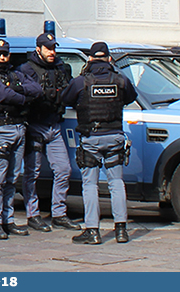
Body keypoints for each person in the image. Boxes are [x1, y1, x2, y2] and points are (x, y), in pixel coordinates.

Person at [62, 41, 138, 245]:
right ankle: (121, 230)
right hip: (114, 137)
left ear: (90, 59)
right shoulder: (121, 80)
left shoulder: (81, 82)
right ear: (109, 59)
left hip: (92, 139)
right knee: (116, 183)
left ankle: (92, 231)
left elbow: (65, 98)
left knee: (90, 184)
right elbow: (130, 97)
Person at [0, 37, 42, 240]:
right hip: (1, 129)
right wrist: (23, 98)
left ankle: (8, 220)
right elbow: (2, 95)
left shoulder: (17, 74)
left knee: (13, 178)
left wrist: (17, 90)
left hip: (20, 128)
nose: (2, 57)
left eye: (5, 53)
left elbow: (37, 90)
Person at [18, 30, 75, 232]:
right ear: (38, 49)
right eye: (48, 48)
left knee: (63, 170)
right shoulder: (26, 69)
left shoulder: (61, 68)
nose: (52, 52)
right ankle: (33, 215)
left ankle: (59, 214)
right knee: (31, 173)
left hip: (54, 126)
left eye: (53, 48)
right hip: (35, 126)